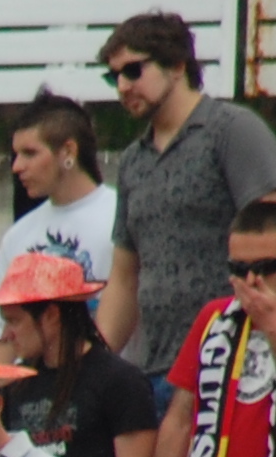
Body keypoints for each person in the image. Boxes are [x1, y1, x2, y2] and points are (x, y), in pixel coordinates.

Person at [99, 11, 276, 376]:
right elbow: (124, 277)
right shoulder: (134, 160)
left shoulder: (231, 130)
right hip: (159, 366)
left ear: (177, 65)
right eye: (113, 76)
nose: (122, 86)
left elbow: (268, 237)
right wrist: (91, 366)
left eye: (133, 71)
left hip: (235, 358)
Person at [136, 197, 276, 457]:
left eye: (266, 268)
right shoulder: (214, 320)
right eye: (238, 270)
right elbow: (180, 418)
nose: (251, 281)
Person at [0, 253, 159, 457]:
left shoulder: (118, 380)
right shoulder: (14, 386)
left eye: (14, 320)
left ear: (52, 315)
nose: (5, 333)